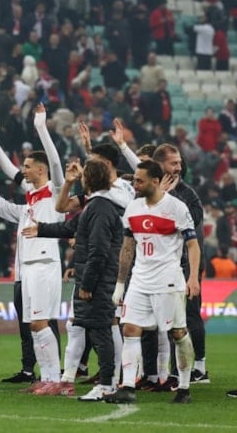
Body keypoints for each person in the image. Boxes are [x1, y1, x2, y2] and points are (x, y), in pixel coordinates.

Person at [0, 144, 64, 392]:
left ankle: (55, 379)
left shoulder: (55, 193)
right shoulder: (28, 206)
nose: (23, 171)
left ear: (41, 170)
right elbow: (0, 205)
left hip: (44, 265)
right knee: (33, 327)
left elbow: (53, 163)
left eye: (28, 166)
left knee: (42, 324)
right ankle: (45, 379)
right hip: (27, 270)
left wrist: (40, 127)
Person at [24, 160, 123, 401]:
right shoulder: (94, 206)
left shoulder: (100, 208)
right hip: (95, 277)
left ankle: (107, 385)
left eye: (84, 175)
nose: (81, 178)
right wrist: (41, 229)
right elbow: (69, 227)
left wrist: (87, 284)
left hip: (98, 280)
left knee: (101, 332)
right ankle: (101, 382)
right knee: (94, 330)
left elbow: (98, 251)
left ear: (89, 179)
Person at [105, 160, 201, 404]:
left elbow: (192, 245)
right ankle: (127, 386)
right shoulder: (133, 208)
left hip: (168, 281)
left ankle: (184, 388)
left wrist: (192, 277)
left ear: (155, 181)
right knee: (130, 329)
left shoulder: (176, 208)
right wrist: (120, 283)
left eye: (140, 180)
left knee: (178, 333)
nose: (135, 184)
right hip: (140, 280)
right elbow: (128, 247)